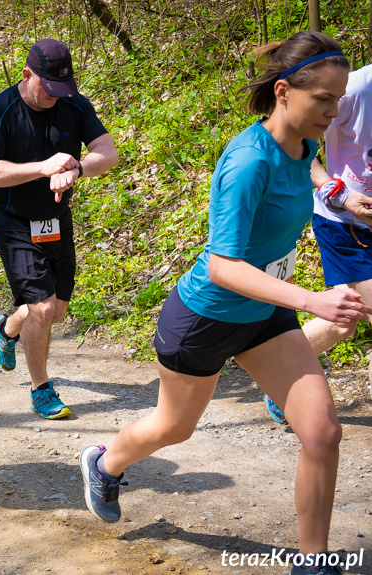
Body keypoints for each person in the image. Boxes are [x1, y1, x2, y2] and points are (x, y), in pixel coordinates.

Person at [79, 32, 366, 575]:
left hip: (264, 314)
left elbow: (305, 174)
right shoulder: (247, 163)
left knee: (323, 432)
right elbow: (221, 265)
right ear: (284, 91)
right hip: (205, 319)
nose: (335, 109)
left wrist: (339, 194)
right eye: (323, 98)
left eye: (339, 97)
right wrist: (312, 300)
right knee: (174, 428)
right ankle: (105, 461)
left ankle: (313, 561)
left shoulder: (304, 143)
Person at [0, 38, 118, 419]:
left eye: (62, 89)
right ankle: (41, 390)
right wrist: (43, 167)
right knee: (42, 305)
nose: (55, 97)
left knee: (55, 312)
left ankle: (6, 329)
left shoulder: (74, 103)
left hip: (55, 221)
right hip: (14, 222)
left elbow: (109, 153)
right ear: (27, 75)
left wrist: (77, 168)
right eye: (48, 88)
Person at [263, 63, 372, 425]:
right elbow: (298, 142)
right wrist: (337, 193)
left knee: (345, 320)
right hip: (346, 224)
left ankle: (278, 373)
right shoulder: (354, 90)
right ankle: (280, 376)